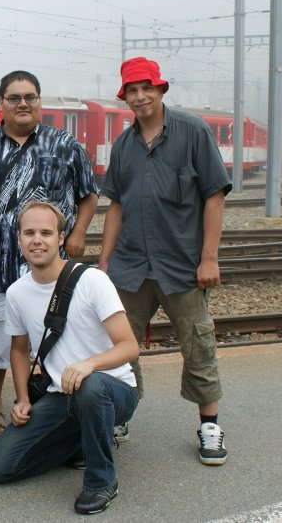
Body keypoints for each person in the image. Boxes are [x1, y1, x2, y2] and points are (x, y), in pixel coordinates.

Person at [98, 56, 232, 466]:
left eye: (146, 88)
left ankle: (209, 425)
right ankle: (121, 416)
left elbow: (213, 194)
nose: (139, 96)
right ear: (125, 97)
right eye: (132, 91)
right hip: (131, 266)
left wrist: (209, 257)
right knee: (118, 346)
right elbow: (116, 207)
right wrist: (103, 266)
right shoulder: (122, 146)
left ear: (160, 90)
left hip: (182, 266)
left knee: (198, 345)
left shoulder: (192, 132)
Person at [0, 70, 98, 439]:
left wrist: (79, 232)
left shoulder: (64, 144)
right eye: (14, 98)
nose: (23, 103)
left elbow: (89, 192)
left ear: (39, 102)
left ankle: (54, 403)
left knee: (56, 335)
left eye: (30, 97)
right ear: (1, 104)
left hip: (50, 268)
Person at [0, 200, 139, 515]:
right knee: (0, 468)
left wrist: (89, 364)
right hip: (63, 394)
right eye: (29, 233)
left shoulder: (92, 281)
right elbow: (18, 348)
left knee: (90, 386)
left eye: (45, 232)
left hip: (113, 389)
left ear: (60, 237)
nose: (36, 240)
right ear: (19, 240)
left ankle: (101, 480)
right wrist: (23, 399)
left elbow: (129, 347)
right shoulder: (16, 293)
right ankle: (84, 439)